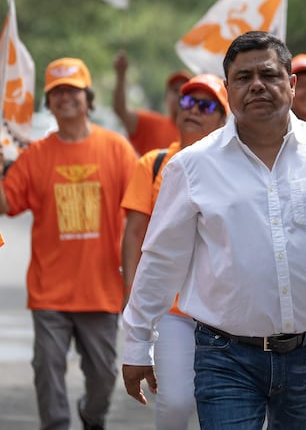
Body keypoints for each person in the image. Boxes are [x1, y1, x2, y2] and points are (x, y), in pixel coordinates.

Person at [121, 31, 306, 430]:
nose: (256, 86)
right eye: (243, 77)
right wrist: (137, 342)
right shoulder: (193, 166)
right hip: (224, 356)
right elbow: (162, 259)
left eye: (268, 75)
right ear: (228, 90)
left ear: (291, 83)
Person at [0, 57, 137, 430]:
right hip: (50, 292)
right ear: (49, 101)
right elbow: (8, 203)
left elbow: (140, 214)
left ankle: (92, 417)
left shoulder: (117, 150)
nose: (65, 98)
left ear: (87, 97)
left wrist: (133, 281)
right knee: (47, 370)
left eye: (72, 90)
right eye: (57, 92)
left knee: (103, 378)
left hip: (101, 290)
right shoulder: (35, 156)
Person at [120, 74, 229, 430]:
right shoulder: (154, 163)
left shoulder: (236, 169)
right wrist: (135, 302)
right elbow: (135, 235)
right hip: (174, 309)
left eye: (206, 105)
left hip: (225, 312)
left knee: (226, 406)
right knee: (175, 402)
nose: (193, 110)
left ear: (225, 119)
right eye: (187, 102)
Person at [113, 49, 190, 155]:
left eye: (184, 92)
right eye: (175, 90)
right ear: (166, 97)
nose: (179, 95)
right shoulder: (151, 124)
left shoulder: (197, 131)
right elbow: (121, 110)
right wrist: (121, 76)